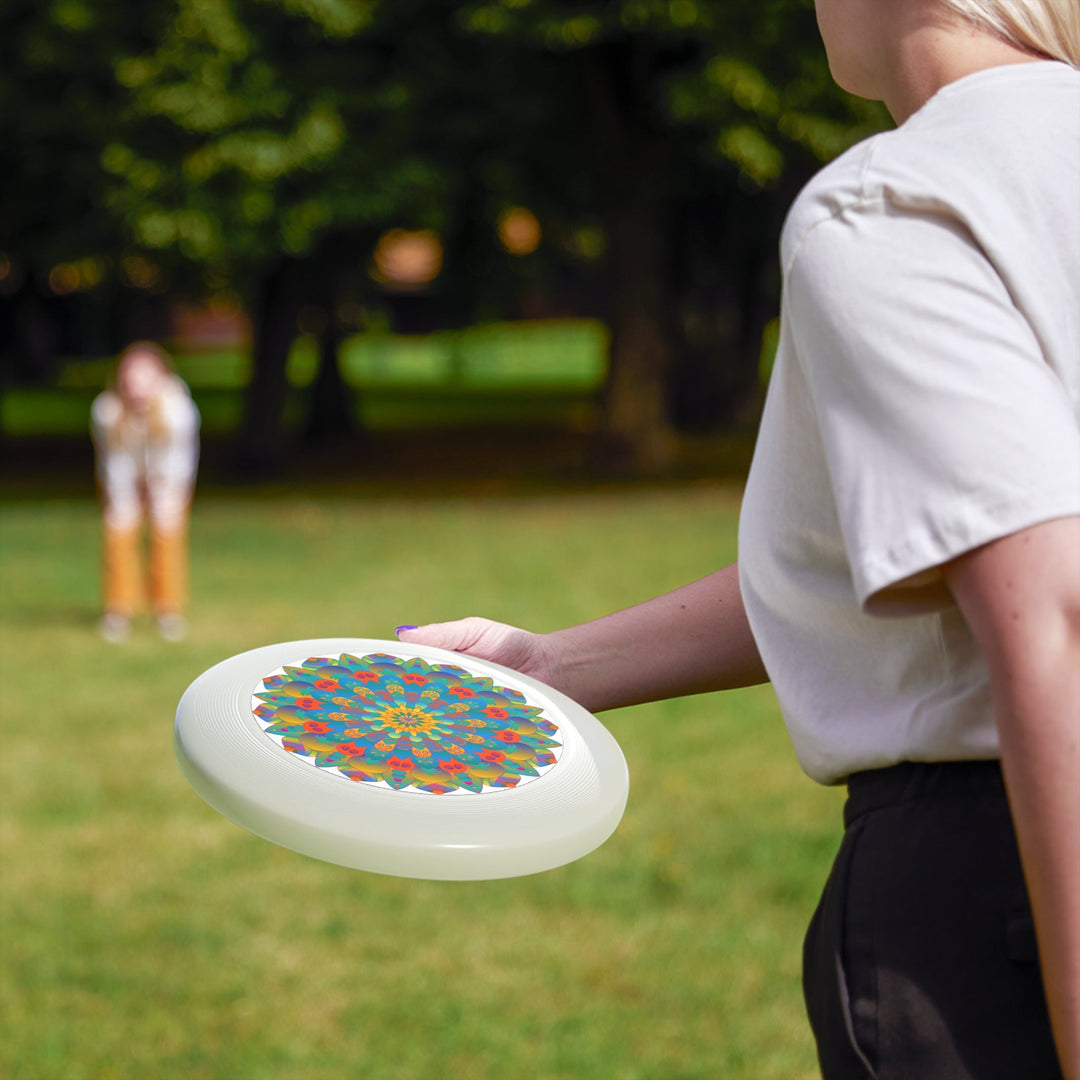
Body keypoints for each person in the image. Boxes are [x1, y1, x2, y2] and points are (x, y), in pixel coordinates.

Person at [395, 1, 1080, 1077]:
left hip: (1004, 888)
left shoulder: (900, 201)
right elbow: (913, 554)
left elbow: (1054, 614)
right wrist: (551, 665)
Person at [91, 341, 200, 642]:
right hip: (123, 479)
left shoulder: (178, 410)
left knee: (167, 535)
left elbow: (177, 460)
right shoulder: (107, 411)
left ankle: (168, 610)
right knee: (118, 531)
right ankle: (118, 610)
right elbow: (114, 460)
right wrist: (126, 495)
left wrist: (160, 492)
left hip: (168, 479)